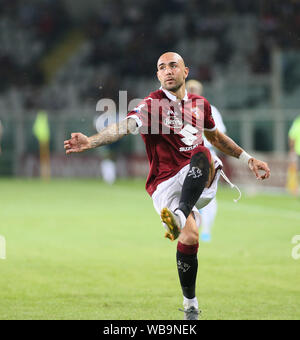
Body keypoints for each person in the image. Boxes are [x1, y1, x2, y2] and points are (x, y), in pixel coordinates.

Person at [64, 52, 270, 320]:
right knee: (190, 238)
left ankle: (180, 214)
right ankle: (190, 303)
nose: (168, 71)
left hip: (195, 174)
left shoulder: (200, 104)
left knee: (204, 153)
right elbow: (126, 126)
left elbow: (215, 137)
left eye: (173, 65)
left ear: (186, 71)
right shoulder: (151, 104)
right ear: (158, 75)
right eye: (162, 68)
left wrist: (247, 159)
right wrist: (91, 141)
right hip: (165, 185)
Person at [186, 80, 226, 242]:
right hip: (186, 156)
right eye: (190, 89)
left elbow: (220, 134)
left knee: (208, 193)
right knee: (188, 193)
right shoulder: (180, 110)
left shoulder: (210, 110)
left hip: (206, 154)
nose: (192, 91)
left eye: (195, 89)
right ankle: (191, 227)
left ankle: (207, 230)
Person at [287, 115, 300, 195]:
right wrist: (292, 150)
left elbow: (291, 137)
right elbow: (292, 137)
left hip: (298, 151)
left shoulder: (297, 122)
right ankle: (297, 189)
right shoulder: (297, 122)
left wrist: (291, 150)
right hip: (298, 151)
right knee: (297, 171)